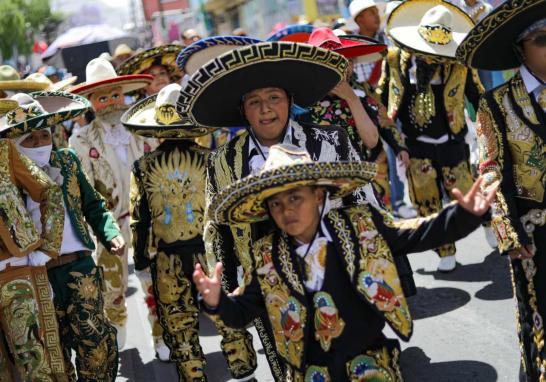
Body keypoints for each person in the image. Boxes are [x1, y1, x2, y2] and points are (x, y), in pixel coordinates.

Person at [193, 143, 497, 380]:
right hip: (308, 373)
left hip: (370, 364)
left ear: (319, 195)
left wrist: (463, 216)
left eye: (295, 197)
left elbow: (416, 234)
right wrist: (218, 302)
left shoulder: (360, 226)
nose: (286, 211)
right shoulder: (266, 254)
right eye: (276, 203)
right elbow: (245, 310)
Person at [177, 40, 364, 380]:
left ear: (290, 102)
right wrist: (228, 288)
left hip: (336, 275)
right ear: (243, 111)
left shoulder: (330, 141)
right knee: (289, 369)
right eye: (254, 102)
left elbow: (362, 207)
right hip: (265, 286)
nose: (265, 109)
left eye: (274, 98)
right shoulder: (223, 160)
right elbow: (216, 227)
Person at [124, 83, 258, 380]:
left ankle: (193, 374)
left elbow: (139, 219)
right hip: (212, 253)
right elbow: (228, 212)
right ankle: (243, 368)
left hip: (168, 257)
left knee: (179, 325)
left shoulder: (143, 167)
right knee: (226, 316)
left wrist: (143, 262)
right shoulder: (212, 158)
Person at [3, 92, 123, 381]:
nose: (39, 144)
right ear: (14, 144)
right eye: (30, 140)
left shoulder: (67, 161)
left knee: (95, 340)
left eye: (43, 136)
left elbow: (93, 204)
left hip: (78, 266)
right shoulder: (8, 178)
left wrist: (110, 233)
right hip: (36, 274)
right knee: (52, 348)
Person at [456, 1, 546, 380]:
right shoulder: (496, 103)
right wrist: (508, 233)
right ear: (520, 49)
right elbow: (490, 169)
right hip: (535, 231)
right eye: (543, 39)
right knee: (540, 319)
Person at [378, 0, 486, 272]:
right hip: (414, 144)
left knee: (463, 187)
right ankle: (444, 250)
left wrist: (486, 130)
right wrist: (391, 138)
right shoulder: (394, 61)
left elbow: (478, 96)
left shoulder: (458, 63)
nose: (429, 57)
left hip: (452, 139)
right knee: (426, 199)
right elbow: (380, 100)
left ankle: (486, 222)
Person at [69, 57, 158, 348]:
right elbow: (84, 189)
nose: (111, 102)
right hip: (110, 222)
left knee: (154, 278)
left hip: (148, 217)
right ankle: (116, 337)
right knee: (111, 282)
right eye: (103, 97)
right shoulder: (81, 140)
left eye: (116, 95)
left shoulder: (141, 128)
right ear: (91, 103)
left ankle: (160, 335)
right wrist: (99, 227)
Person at [116, 43, 185, 359]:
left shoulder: (186, 111)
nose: (157, 80)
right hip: (147, 213)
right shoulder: (131, 123)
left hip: (187, 211)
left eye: (162, 74)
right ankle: (160, 336)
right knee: (151, 281)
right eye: (151, 76)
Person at [0, 102, 66, 381]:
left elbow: (49, 190)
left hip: (16, 269)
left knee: (35, 360)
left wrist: (49, 246)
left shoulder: (3, 151)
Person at [117, 44, 184, 98]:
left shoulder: (183, 101)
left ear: (169, 76)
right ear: (143, 84)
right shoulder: (137, 112)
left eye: (162, 73)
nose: (160, 78)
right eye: (152, 75)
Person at [349, 0, 387, 87]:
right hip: (363, 97)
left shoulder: (389, 37)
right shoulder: (350, 45)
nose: (377, 16)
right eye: (372, 13)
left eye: (377, 12)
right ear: (359, 19)